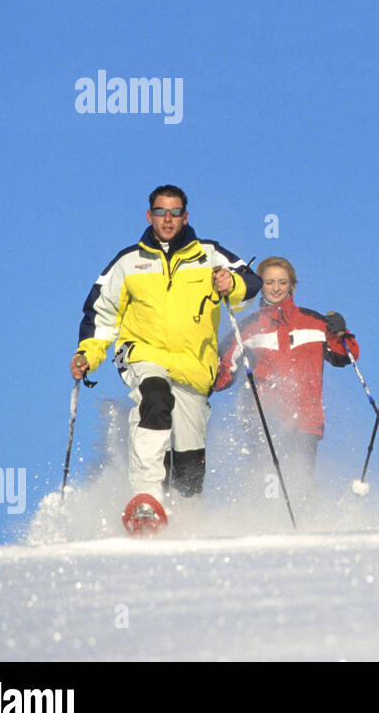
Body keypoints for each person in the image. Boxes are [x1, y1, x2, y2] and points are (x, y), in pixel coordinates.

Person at [70, 184, 261, 530]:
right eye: (160, 212)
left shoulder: (209, 254)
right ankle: (145, 499)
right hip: (143, 353)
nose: (167, 219)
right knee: (154, 396)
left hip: (193, 367)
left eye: (174, 213)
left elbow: (251, 281)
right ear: (149, 216)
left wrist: (231, 284)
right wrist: (88, 354)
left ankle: (185, 525)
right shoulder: (129, 261)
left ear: (185, 217)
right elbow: (102, 312)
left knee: (188, 464)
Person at [213, 257, 355, 482]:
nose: (276, 288)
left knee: (301, 483)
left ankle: (307, 517)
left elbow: (346, 355)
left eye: (282, 282)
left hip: (305, 420)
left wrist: (340, 330)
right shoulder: (248, 328)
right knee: (264, 484)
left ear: (292, 285)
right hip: (264, 420)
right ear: (260, 285)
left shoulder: (313, 322)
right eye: (269, 282)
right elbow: (221, 376)